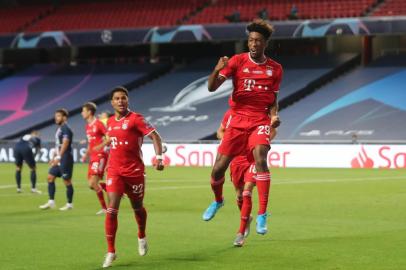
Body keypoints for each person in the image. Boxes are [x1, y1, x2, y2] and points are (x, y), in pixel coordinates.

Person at [203, 19, 283, 236]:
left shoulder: (275, 69)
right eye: (250, 40)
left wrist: (274, 116)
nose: (254, 44)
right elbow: (211, 88)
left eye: (258, 40)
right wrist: (217, 69)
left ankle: (262, 214)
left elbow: (273, 100)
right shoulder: (237, 61)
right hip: (237, 119)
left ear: (265, 43)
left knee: (260, 158)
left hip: (259, 120)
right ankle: (218, 200)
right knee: (218, 169)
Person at [100, 86, 164, 268]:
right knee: (112, 209)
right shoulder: (110, 122)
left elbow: (156, 137)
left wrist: (159, 158)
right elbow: (112, 142)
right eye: (117, 98)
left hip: (135, 172)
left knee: (137, 208)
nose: (120, 101)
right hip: (114, 171)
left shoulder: (137, 119)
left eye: (123, 98)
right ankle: (111, 251)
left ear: (128, 100)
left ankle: (141, 235)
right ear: (112, 102)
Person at [217, 108, 278, 247]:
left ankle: (240, 233)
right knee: (239, 196)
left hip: (251, 159)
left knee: (247, 191)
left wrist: (260, 142)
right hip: (236, 160)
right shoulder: (230, 113)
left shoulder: (261, 113)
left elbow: (273, 130)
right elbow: (220, 131)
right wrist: (231, 140)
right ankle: (247, 218)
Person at [39, 108, 75, 211]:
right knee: (50, 177)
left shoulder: (66, 129)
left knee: (67, 181)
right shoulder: (59, 129)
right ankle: (51, 202)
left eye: (58, 116)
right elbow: (57, 145)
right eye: (56, 116)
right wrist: (54, 157)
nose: (56, 118)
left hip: (66, 158)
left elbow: (65, 143)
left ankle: (69, 204)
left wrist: (59, 157)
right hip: (59, 157)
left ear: (64, 117)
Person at [81, 102, 109, 215]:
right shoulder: (87, 126)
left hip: (100, 155)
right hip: (93, 156)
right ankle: (113, 188)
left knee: (93, 183)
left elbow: (109, 138)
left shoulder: (99, 124)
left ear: (89, 112)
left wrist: (100, 146)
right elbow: (90, 143)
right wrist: (86, 154)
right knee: (91, 185)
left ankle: (105, 209)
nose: (82, 113)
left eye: (83, 111)